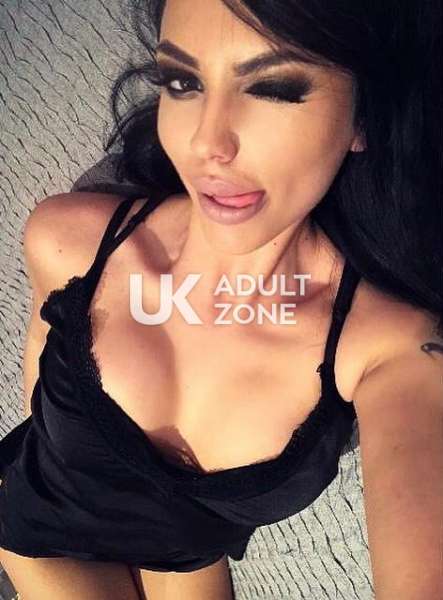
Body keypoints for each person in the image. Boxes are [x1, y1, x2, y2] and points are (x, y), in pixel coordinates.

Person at [0, 0, 442, 599]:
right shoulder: (67, 240)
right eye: (182, 83)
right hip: (43, 527)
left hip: (185, 555)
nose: (207, 142)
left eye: (273, 88)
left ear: (364, 115)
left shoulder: (389, 347)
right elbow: (39, 361)